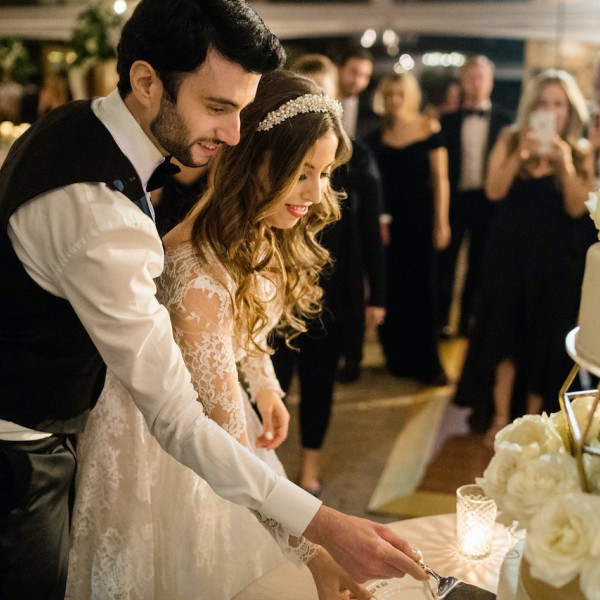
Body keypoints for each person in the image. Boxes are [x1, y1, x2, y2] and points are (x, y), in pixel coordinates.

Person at [0, 1, 426, 598]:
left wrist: (263, 383)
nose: (234, 136)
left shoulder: (78, 126)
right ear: (146, 82)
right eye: (218, 107)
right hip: (22, 450)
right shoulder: (101, 215)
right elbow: (179, 419)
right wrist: (322, 530)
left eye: (243, 111)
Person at [67, 69, 373, 600]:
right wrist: (314, 552)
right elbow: (224, 442)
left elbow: (239, 330)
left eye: (324, 173)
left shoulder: (254, 231)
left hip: (219, 414)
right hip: (162, 450)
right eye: (302, 172)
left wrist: (265, 385)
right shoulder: (198, 274)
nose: (316, 193)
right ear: (255, 161)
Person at [453, 69, 597, 444]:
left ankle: (534, 421)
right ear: (531, 107)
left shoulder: (579, 151)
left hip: (554, 262)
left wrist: (564, 164)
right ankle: (501, 416)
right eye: (543, 103)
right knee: (504, 331)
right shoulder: (510, 138)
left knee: (543, 339)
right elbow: (493, 191)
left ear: (570, 110)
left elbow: (576, 208)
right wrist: (521, 155)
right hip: (508, 255)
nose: (550, 110)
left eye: (558, 104)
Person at [272, 54, 386, 497]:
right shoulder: (274, 156)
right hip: (278, 284)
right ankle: (267, 465)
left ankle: (310, 467)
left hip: (333, 287)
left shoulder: (357, 155)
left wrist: (377, 295)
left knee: (320, 382)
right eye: (308, 90)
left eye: (324, 92)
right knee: (273, 381)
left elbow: (372, 231)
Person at [365, 71, 451, 385]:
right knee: (393, 289)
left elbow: (440, 180)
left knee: (423, 291)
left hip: (422, 221)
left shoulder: (429, 128)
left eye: (400, 94)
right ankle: (397, 358)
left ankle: (427, 364)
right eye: (389, 95)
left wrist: (441, 222)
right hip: (389, 224)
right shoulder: (376, 136)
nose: (395, 100)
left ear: (411, 96)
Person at [436, 55, 513, 337]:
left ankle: (468, 320)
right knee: (446, 262)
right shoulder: (446, 121)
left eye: (481, 77)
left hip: (489, 200)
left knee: (480, 263)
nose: (476, 83)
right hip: (455, 199)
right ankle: (441, 320)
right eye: (471, 77)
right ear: (463, 82)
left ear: (490, 83)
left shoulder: (506, 121)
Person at [336, 45, 376, 139]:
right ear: (339, 69)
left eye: (364, 76)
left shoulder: (370, 116)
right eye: (353, 72)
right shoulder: (322, 103)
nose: (357, 81)